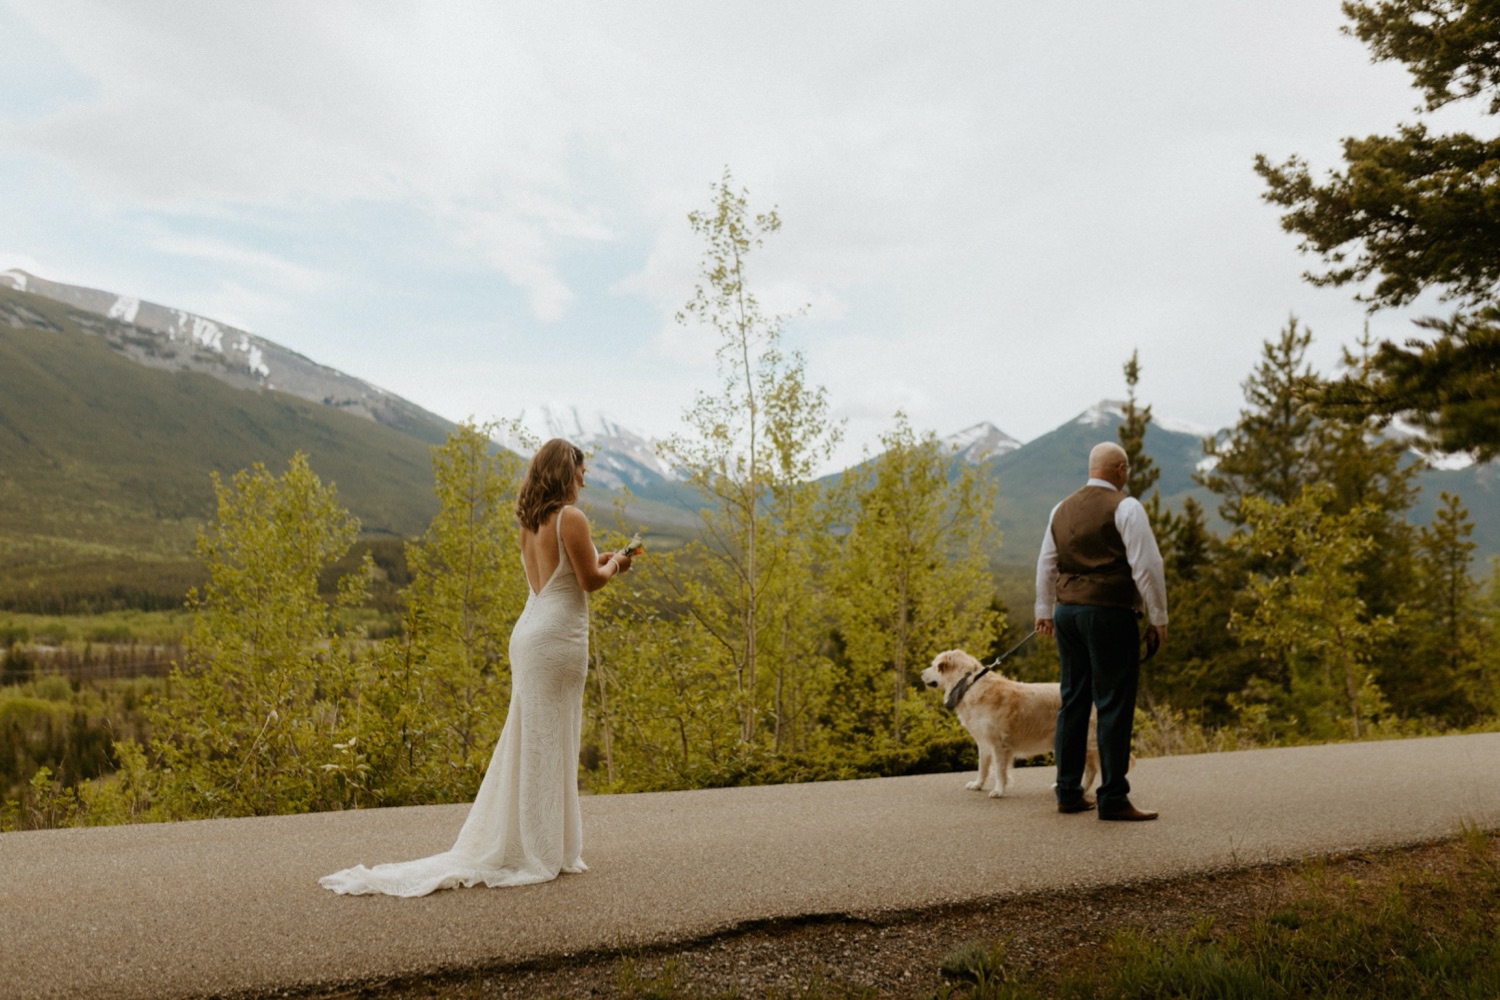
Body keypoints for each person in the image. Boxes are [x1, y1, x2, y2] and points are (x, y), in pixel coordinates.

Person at [320, 439, 632, 896]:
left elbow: (560, 576)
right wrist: (618, 564)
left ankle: (535, 840)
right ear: (567, 471)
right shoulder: (572, 517)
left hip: (530, 633)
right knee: (553, 738)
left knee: (533, 738)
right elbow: (588, 581)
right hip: (558, 640)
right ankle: (544, 848)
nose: (584, 480)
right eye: (581, 471)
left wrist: (599, 563)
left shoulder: (530, 523)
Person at [1034, 441, 1167, 821]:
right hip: (1109, 614)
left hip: (1068, 614)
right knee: (1112, 703)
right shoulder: (1126, 506)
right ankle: (1112, 798)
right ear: (1121, 469)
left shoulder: (1061, 508)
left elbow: (1046, 563)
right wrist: (1158, 618)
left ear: (1092, 469)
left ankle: (1068, 791)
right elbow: (1147, 566)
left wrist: (1044, 610)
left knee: (1072, 700)